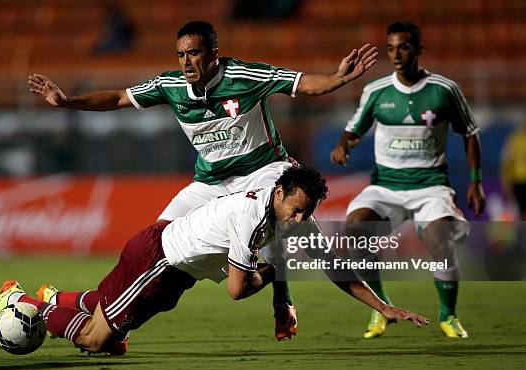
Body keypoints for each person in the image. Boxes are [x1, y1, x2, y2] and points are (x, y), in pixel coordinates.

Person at [28, 20, 378, 340]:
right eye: (180, 54)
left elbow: (302, 85)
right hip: (209, 182)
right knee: (157, 251)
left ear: (213, 54)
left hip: (260, 172)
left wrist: (338, 78)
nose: (185, 62)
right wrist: (67, 101)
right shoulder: (171, 85)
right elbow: (119, 97)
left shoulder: (244, 77)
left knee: (284, 234)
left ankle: (282, 303)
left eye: (193, 53)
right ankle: (88, 311)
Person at [0, 166, 429, 355]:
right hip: (159, 261)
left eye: (308, 212)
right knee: (97, 342)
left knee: (108, 325)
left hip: (175, 271)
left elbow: (333, 265)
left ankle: (55, 297)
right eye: (296, 209)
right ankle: (25, 302)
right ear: (278, 195)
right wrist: (278, 269)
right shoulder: (255, 216)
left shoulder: (288, 209)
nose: (301, 219)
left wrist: (384, 308)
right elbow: (237, 290)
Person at [330, 21, 486, 339]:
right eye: (390, 48)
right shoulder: (376, 91)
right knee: (357, 230)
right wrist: (343, 143)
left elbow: (470, 133)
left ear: (417, 49)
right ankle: (382, 308)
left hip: (431, 187)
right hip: (386, 187)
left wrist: (475, 181)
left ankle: (449, 315)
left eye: (403, 46)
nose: (396, 54)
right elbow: (354, 128)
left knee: (438, 241)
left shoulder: (444, 89)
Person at [500, 120, 526, 221]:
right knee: (521, 213)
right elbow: (506, 163)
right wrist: (506, 183)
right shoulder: (514, 140)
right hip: (519, 182)